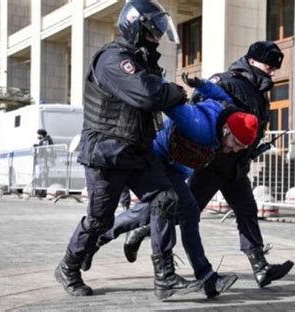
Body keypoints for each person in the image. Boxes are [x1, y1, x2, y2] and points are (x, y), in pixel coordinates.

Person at [54, 0, 200, 300]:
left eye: (159, 30)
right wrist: (173, 92)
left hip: (137, 150)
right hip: (107, 152)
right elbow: (148, 95)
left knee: (165, 198)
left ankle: (165, 277)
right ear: (136, 27)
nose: (157, 36)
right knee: (99, 220)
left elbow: (152, 93)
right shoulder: (113, 59)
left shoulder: (142, 60)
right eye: (153, 29)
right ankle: (68, 267)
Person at [126, 41, 295, 289]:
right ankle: (140, 228)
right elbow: (198, 109)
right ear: (252, 61)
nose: (271, 72)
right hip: (211, 164)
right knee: (185, 210)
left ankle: (260, 267)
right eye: (268, 66)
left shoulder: (259, 92)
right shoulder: (225, 81)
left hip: (237, 165)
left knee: (246, 211)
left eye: (274, 69)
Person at [80, 78, 258, 298]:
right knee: (185, 210)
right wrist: (163, 85)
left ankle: (98, 241)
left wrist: (200, 83)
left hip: (172, 165)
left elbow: (219, 93)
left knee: (163, 211)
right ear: (226, 130)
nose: (233, 151)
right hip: (155, 160)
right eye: (235, 144)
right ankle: (205, 276)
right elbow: (166, 102)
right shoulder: (198, 126)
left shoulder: (230, 110)